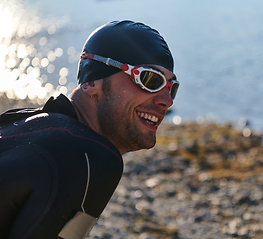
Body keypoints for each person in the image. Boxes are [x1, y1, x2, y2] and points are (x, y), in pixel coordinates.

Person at [0, 20, 179, 239]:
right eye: (150, 79)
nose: (167, 101)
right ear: (91, 82)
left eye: (172, 88)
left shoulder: (23, 122)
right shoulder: (90, 157)